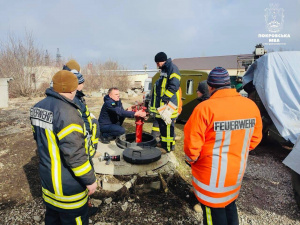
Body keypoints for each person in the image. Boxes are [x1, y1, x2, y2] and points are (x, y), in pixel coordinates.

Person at [184, 67, 262, 225]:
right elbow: (254, 140)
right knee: (230, 205)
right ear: (229, 84)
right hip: (235, 175)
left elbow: (192, 148)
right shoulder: (250, 106)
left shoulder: (204, 109)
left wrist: (192, 161)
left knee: (213, 214)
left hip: (210, 180)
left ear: (210, 87)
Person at [30, 70, 97, 225]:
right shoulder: (68, 114)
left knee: (52, 219)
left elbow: (39, 139)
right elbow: (75, 155)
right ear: (73, 89)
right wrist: (90, 180)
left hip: (48, 185)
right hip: (68, 189)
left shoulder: (37, 108)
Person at [63, 59, 99, 158]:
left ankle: (90, 152)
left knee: (94, 123)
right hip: (80, 135)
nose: (83, 85)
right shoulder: (71, 95)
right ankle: (89, 154)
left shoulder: (74, 94)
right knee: (95, 125)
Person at [149, 52, 181, 153]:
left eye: (158, 63)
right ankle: (164, 143)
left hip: (168, 104)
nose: (157, 65)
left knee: (166, 127)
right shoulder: (165, 69)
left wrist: (165, 98)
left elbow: (174, 85)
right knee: (163, 126)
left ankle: (167, 148)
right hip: (164, 104)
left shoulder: (172, 68)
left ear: (162, 61)